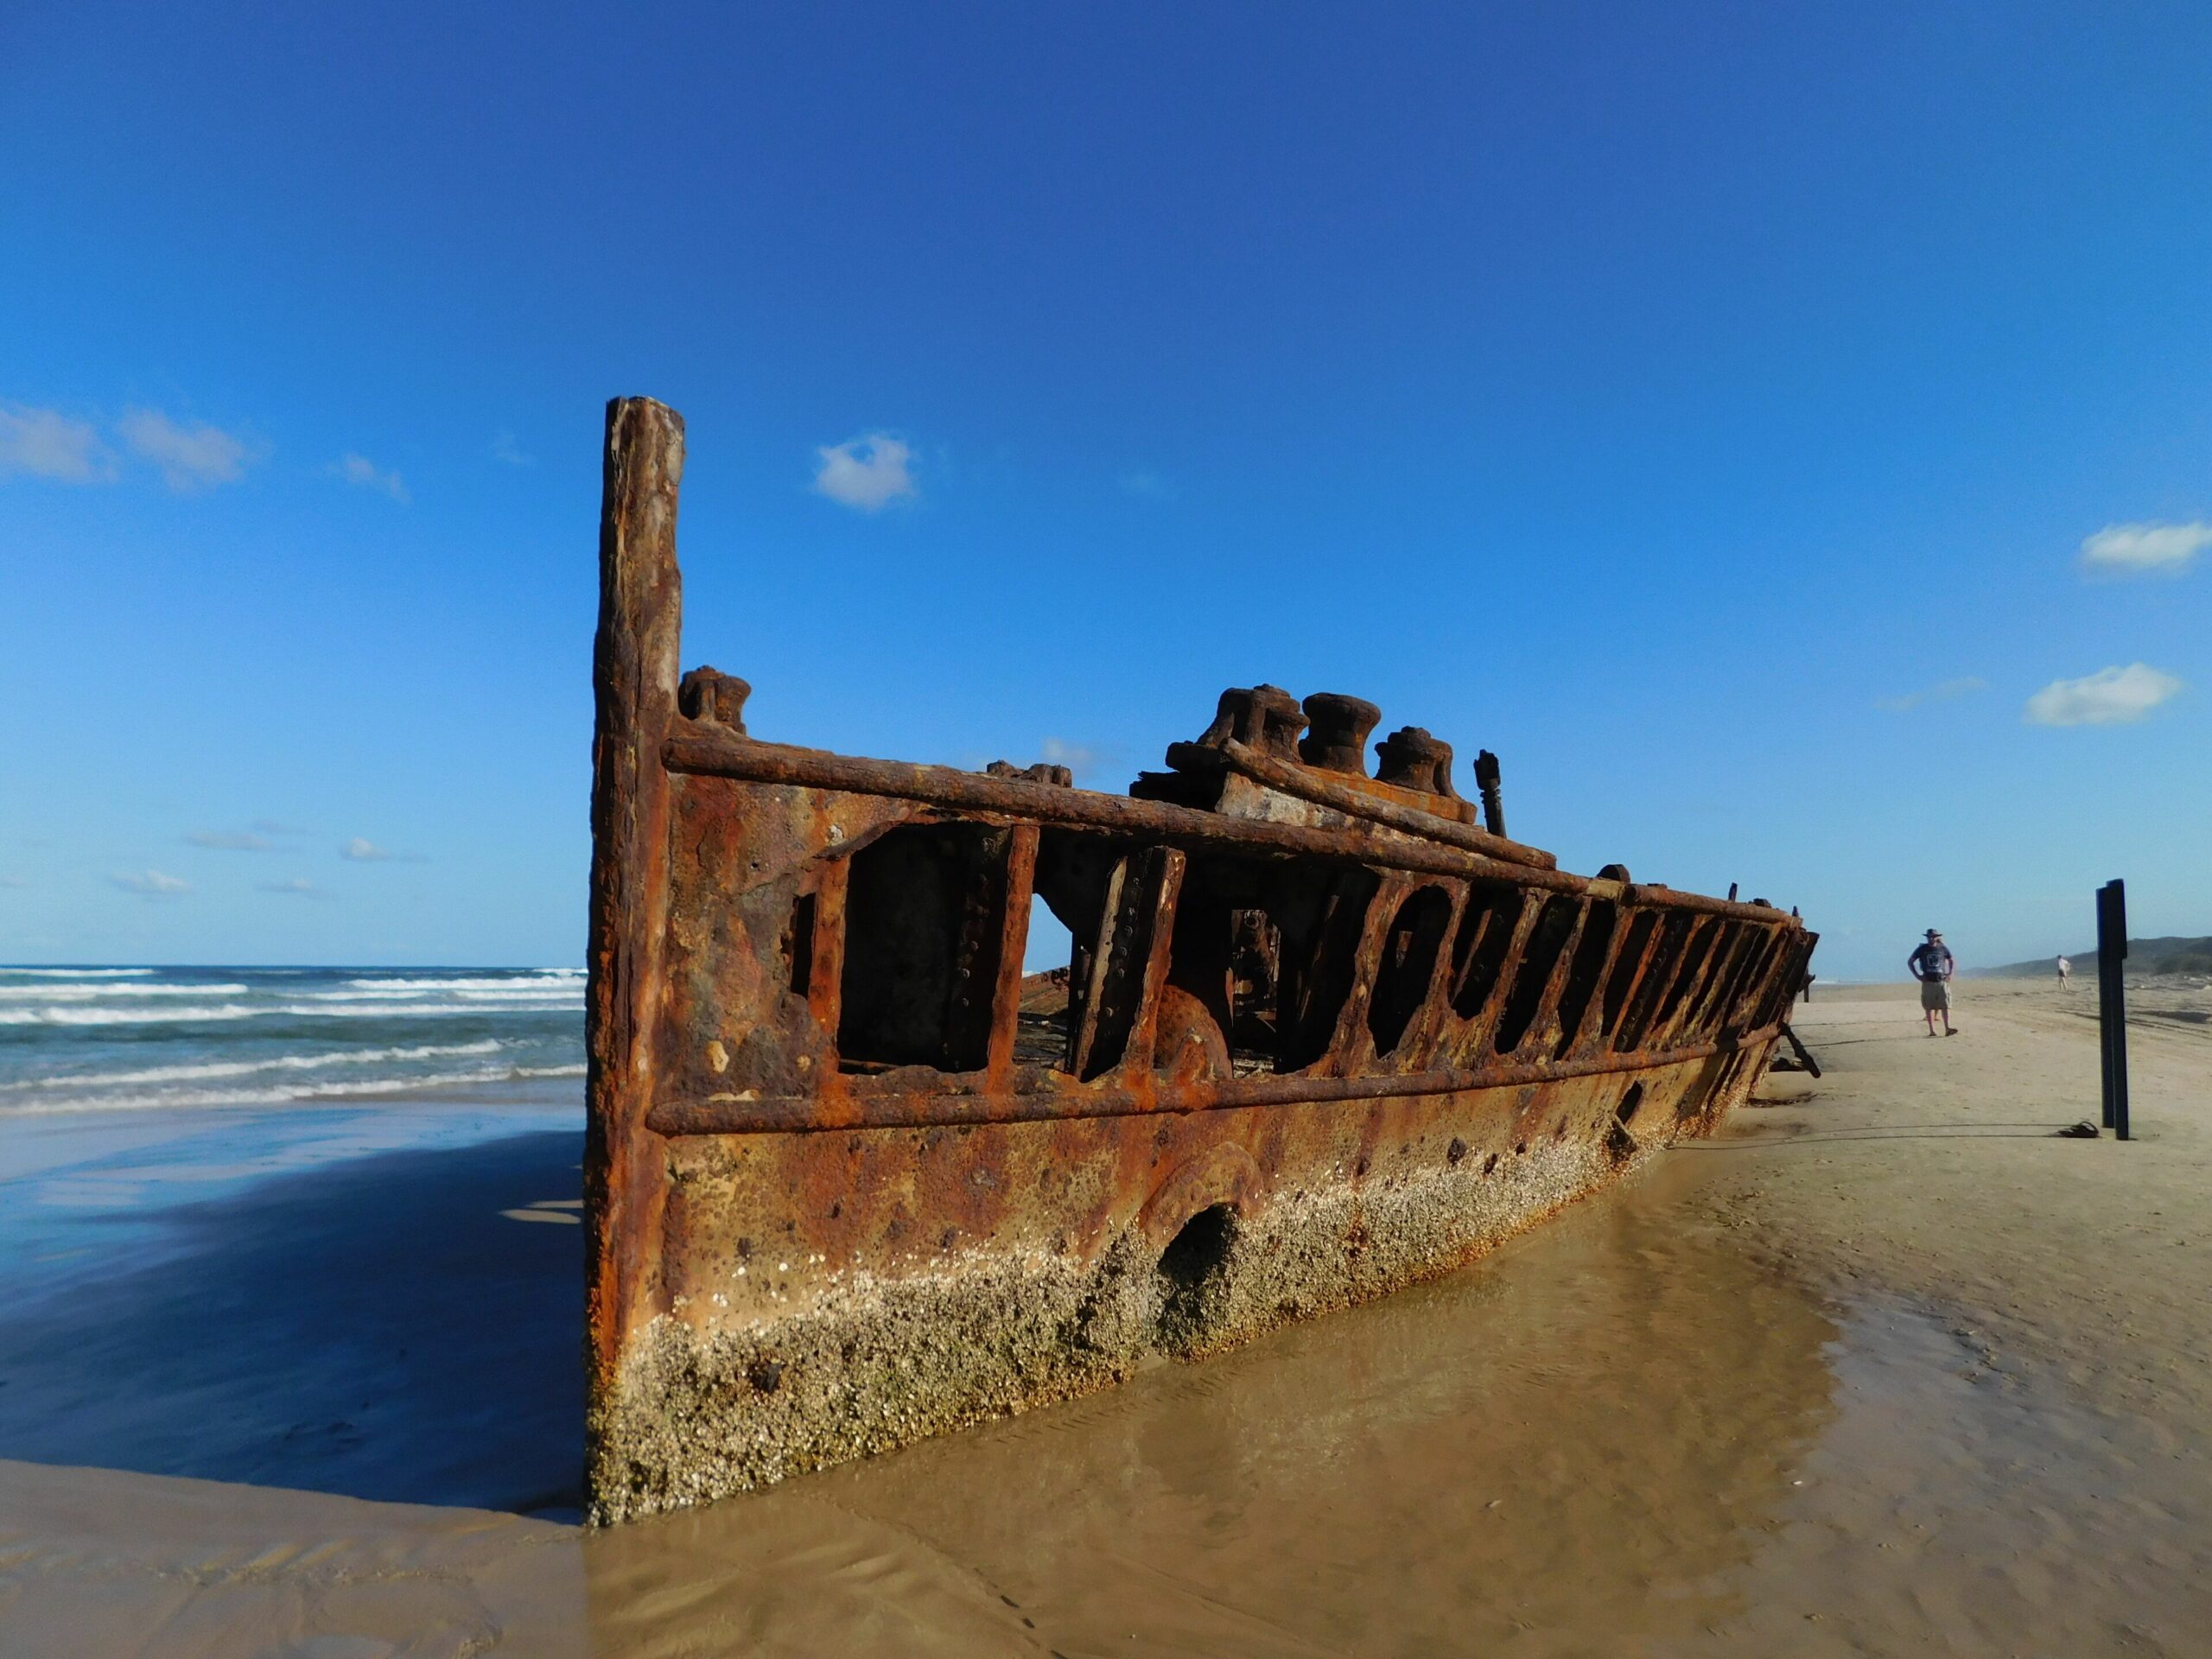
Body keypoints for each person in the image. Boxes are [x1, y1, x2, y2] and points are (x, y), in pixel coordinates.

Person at [1908, 928, 1956, 1036]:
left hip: (1941, 980)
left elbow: (1951, 959)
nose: (1931, 938)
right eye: (1929, 937)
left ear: (1937, 937)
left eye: (1934, 936)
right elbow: (1910, 961)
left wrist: (1950, 973)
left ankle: (1947, 1028)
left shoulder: (1943, 948)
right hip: (1928, 980)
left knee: (1945, 1005)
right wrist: (1917, 975)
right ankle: (1932, 1031)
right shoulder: (1922, 949)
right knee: (1929, 1006)